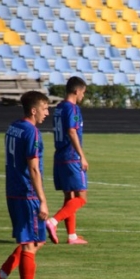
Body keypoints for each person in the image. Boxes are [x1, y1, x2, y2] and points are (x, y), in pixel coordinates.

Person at [0, 91, 54, 279]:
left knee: (36, 240)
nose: (47, 112)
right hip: (27, 193)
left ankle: (2, 275)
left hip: (13, 191)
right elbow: (33, 168)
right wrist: (42, 199)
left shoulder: (13, 127)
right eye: (44, 108)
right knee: (29, 244)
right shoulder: (32, 133)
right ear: (34, 110)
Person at [47, 76, 89, 245]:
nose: (83, 96)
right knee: (81, 197)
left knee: (69, 196)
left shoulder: (58, 108)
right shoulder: (72, 108)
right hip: (72, 156)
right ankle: (53, 221)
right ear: (76, 91)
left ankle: (72, 236)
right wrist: (82, 155)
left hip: (60, 156)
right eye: (83, 93)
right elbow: (72, 131)